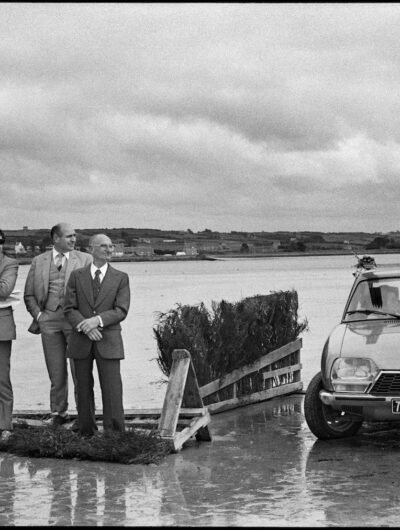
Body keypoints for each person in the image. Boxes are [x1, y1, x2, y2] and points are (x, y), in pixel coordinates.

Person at [23, 223, 92, 426]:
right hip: (49, 321)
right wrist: (39, 316)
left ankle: (84, 415)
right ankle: (58, 413)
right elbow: (29, 294)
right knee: (56, 371)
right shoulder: (38, 261)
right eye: (69, 236)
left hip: (75, 321)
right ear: (55, 239)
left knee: (79, 370)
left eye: (74, 236)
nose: (73, 240)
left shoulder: (85, 259)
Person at [64, 233, 130, 436]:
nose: (109, 250)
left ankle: (115, 435)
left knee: (112, 390)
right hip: (81, 341)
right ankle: (86, 433)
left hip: (108, 340)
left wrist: (97, 321)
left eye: (111, 246)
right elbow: (68, 308)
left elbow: (121, 310)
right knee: (83, 390)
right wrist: (87, 327)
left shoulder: (121, 277)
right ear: (91, 249)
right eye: (104, 246)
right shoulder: (76, 276)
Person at [0, 230, 18, 441]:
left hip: (1, 329)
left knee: (1, 378)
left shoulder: (10, 264)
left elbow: (4, 290)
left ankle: (5, 425)